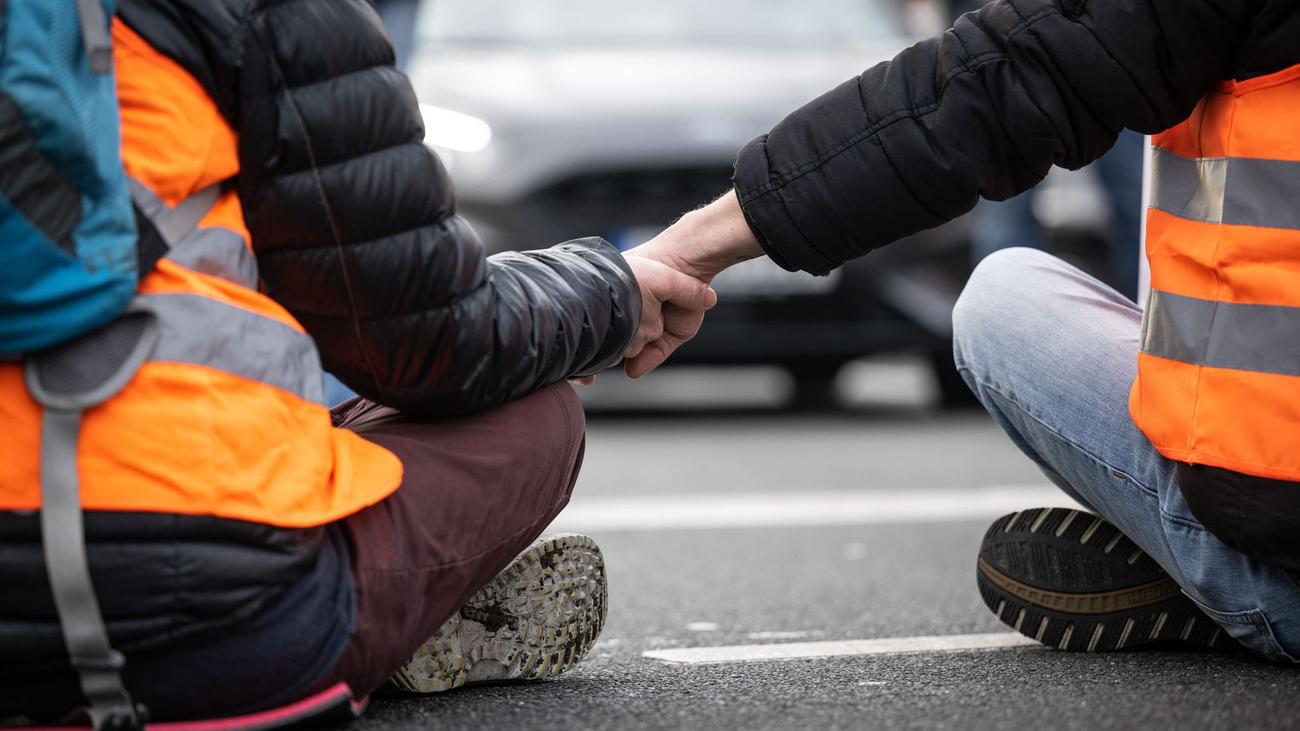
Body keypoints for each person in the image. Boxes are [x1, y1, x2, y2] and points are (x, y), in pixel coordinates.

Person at [0, 0, 714, 724]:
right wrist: (612, 291)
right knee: (533, 411)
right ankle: (411, 618)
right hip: (226, 633)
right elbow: (438, 341)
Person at [631, 0, 1300, 662]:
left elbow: (991, 81)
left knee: (1001, 296)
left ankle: (1226, 587)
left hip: (1275, 533)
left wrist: (687, 249)